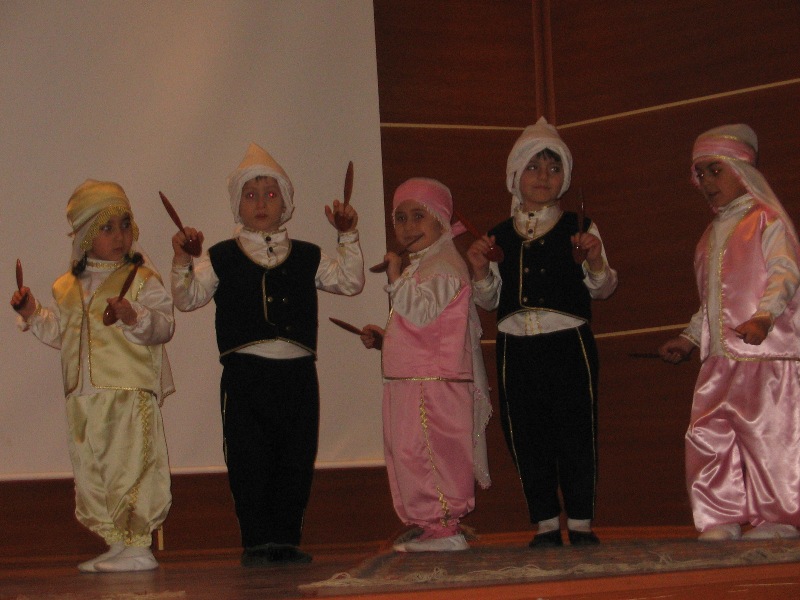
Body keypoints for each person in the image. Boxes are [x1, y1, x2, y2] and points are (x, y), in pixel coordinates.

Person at [170, 143, 364, 566]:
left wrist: (347, 235)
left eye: (270, 194)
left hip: (297, 373)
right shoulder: (220, 257)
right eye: (251, 195)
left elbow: (350, 282)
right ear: (237, 205)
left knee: (296, 455)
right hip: (245, 374)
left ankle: (286, 539)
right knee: (248, 457)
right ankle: (257, 541)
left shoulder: (308, 255)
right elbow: (186, 299)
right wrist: (182, 259)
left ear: (286, 204)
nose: (261, 203)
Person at [466, 117, 617, 548]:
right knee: (525, 433)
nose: (543, 177)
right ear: (515, 174)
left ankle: (581, 522)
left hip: (569, 344)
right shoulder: (496, 234)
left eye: (553, 168)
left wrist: (595, 261)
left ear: (564, 177)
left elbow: (603, 288)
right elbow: (489, 301)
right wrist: (480, 270)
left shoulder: (580, 227)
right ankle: (546, 522)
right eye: (533, 167)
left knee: (576, 432)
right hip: (515, 348)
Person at [10, 180, 175, 572]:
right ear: (85, 237)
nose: (119, 236)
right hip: (83, 397)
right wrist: (33, 313)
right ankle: (117, 541)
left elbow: (163, 326)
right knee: (94, 469)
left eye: (124, 225)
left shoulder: (141, 278)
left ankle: (139, 544)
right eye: (107, 228)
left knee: (130, 466)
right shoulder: (66, 287)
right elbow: (62, 333)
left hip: (126, 392)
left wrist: (134, 316)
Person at [659, 124, 800, 542]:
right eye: (700, 173)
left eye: (715, 170)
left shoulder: (766, 220)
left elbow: (785, 273)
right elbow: (712, 301)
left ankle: (779, 518)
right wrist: (689, 338)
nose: (706, 181)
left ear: (742, 169)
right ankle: (720, 516)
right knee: (708, 433)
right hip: (720, 359)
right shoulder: (709, 236)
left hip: (765, 356)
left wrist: (764, 317)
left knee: (768, 437)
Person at [360, 177, 492, 552]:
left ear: (441, 220)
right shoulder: (425, 265)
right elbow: (422, 326)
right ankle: (427, 524)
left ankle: (444, 529)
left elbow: (420, 312)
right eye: (400, 218)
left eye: (419, 215)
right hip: (413, 380)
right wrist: (385, 338)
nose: (408, 226)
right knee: (408, 454)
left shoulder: (445, 265)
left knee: (430, 454)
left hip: (433, 385)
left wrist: (393, 277)